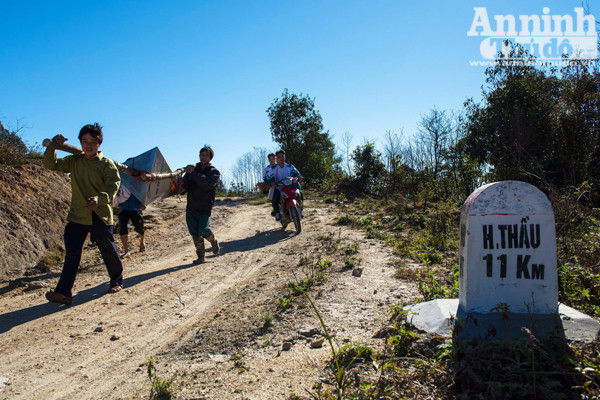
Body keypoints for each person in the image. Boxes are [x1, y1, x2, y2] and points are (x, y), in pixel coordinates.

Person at [43, 123, 124, 305]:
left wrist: (98, 199)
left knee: (107, 249)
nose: (88, 145)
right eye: (84, 141)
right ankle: (63, 293)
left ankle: (116, 281)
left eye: (93, 141)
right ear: (80, 142)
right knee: (72, 254)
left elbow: (112, 188)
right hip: (77, 216)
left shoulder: (107, 165)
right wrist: (53, 147)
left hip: (99, 214)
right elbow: (50, 164)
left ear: (99, 143)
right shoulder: (75, 161)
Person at [183, 146, 221, 264]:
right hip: (191, 206)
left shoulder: (214, 172)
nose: (203, 157)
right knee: (194, 232)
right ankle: (201, 256)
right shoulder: (192, 169)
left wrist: (193, 173)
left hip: (204, 206)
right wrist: (180, 188)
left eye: (206, 155)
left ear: (210, 158)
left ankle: (213, 242)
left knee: (203, 230)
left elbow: (206, 184)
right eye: (201, 155)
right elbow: (185, 184)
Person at [267, 149, 302, 221]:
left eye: (282, 156)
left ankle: (300, 210)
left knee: (300, 194)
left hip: (291, 187)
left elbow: (296, 173)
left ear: (285, 157)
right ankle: (277, 213)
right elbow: (269, 177)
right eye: (279, 157)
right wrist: (271, 182)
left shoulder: (290, 166)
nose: (281, 158)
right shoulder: (273, 168)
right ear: (276, 158)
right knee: (275, 198)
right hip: (279, 188)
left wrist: (299, 177)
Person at [117, 189, 146, 257]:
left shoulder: (138, 182)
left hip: (136, 206)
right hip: (123, 206)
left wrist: (144, 202)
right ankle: (126, 250)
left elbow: (144, 188)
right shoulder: (121, 181)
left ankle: (142, 242)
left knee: (140, 228)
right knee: (122, 228)